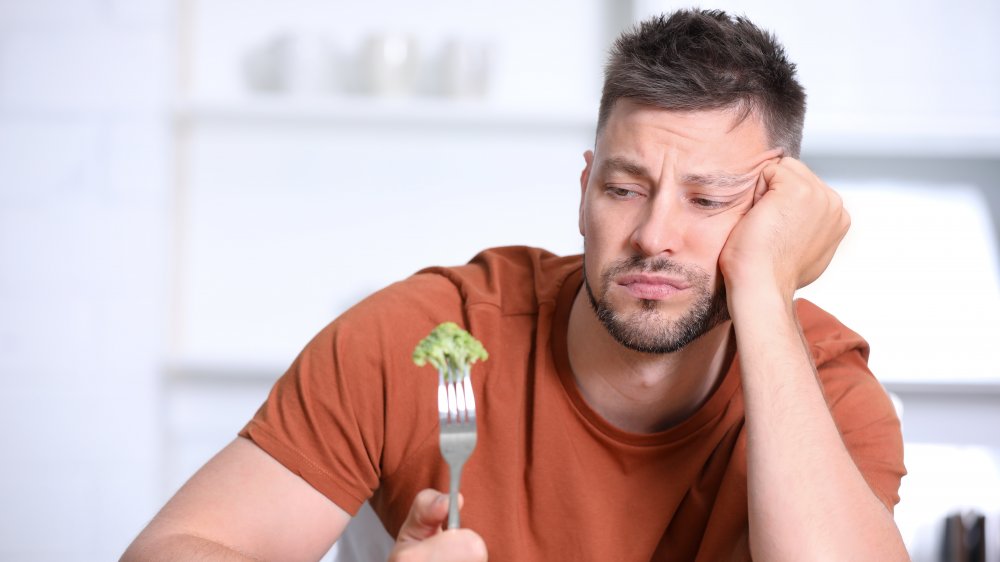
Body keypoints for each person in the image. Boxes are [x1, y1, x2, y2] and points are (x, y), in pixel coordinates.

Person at [123, 9, 908, 561]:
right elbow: (178, 549)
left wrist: (766, 294)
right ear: (583, 191)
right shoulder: (427, 341)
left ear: (776, 216)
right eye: (624, 188)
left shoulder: (828, 392)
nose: (653, 235)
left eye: (707, 201)